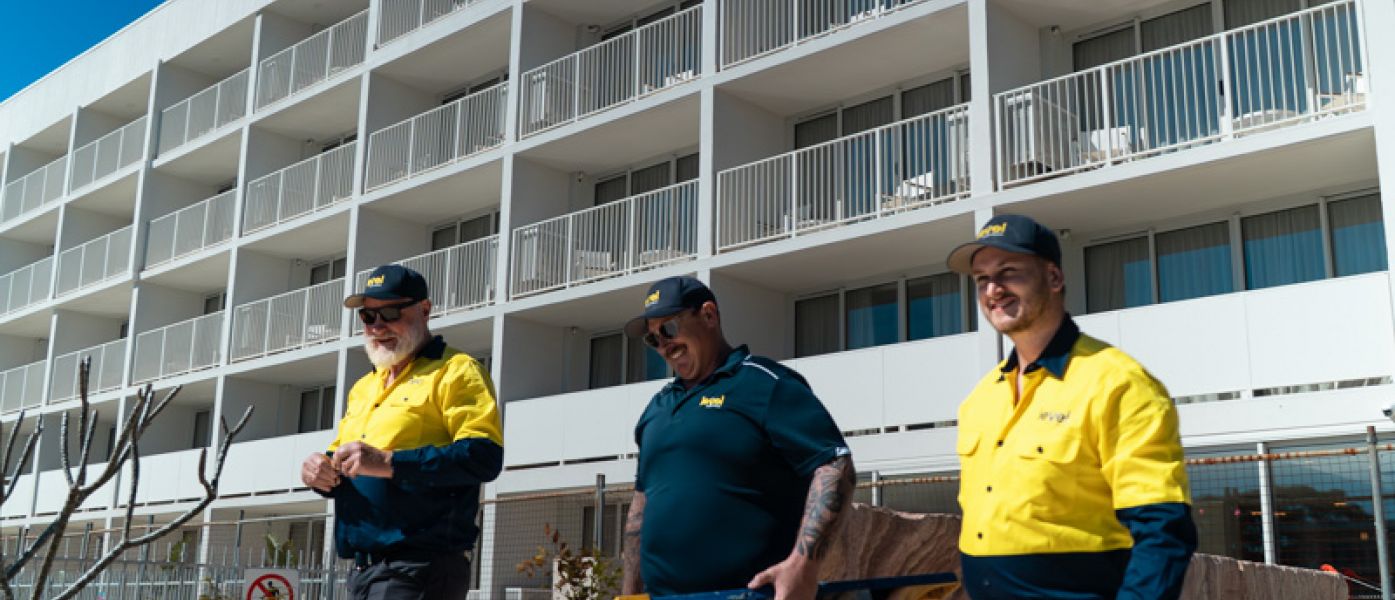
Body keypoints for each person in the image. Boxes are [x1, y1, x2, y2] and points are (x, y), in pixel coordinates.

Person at [946, 215, 1197, 600]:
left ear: (1054, 278)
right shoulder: (980, 398)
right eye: (982, 279)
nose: (993, 289)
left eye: (1008, 272)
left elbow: (1162, 530)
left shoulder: (1119, 383)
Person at [619, 276, 855, 600]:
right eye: (652, 339)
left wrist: (803, 566)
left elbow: (833, 464)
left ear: (708, 316)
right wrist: (629, 593)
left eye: (670, 329)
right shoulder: (656, 409)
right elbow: (640, 505)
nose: (664, 345)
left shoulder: (763, 384)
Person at [299, 264, 503, 600]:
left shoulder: (457, 371)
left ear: (424, 310)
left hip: (420, 567)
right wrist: (321, 471)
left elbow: (483, 457)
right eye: (368, 317)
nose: (378, 326)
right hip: (364, 569)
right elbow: (344, 463)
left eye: (391, 312)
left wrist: (389, 461)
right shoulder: (365, 387)